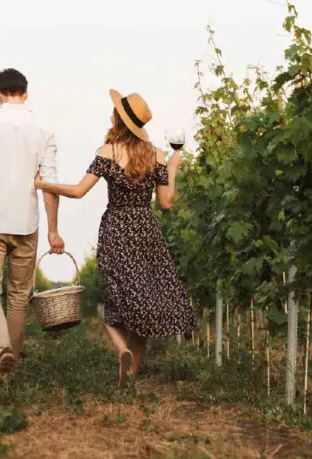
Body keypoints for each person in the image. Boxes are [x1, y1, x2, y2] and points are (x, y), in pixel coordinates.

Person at [35, 89, 196, 386]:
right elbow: (166, 203)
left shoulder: (107, 152)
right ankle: (130, 376)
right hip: (145, 230)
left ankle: (122, 350)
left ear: (118, 120)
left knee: (115, 303)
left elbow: (78, 191)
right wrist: (172, 169)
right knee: (144, 304)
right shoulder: (158, 155)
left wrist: (43, 184)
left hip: (116, 230)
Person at [0, 68, 65, 390]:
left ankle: (1, 348)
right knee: (19, 296)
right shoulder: (44, 130)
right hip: (26, 223)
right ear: (26, 93)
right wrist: (53, 231)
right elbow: (50, 185)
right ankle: (10, 368)